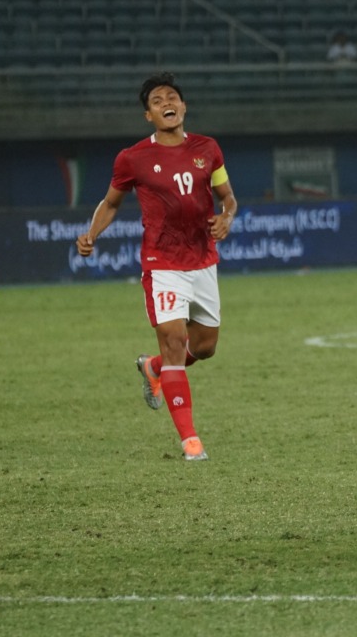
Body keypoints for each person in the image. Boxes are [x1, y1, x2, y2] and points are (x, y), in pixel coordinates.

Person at [76, 73, 238, 462]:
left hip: (202, 261)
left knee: (205, 347)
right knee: (174, 343)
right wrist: (92, 233)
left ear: (183, 107)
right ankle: (191, 441)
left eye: (172, 97)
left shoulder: (208, 149)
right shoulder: (133, 158)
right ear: (149, 115)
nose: (166, 102)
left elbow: (227, 197)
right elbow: (111, 202)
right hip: (162, 263)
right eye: (156, 100)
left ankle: (153, 369)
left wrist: (227, 216)